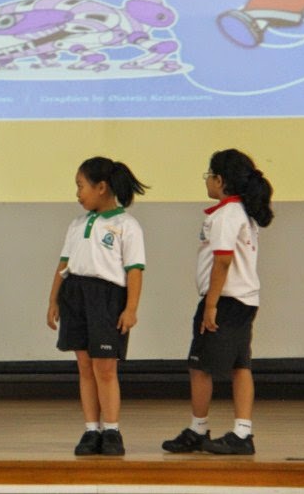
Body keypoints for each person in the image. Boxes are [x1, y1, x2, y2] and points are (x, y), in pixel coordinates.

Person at [162, 149, 274, 456]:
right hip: (243, 300)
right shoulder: (241, 212)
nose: (207, 181)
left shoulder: (226, 215)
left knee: (199, 366)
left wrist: (210, 305)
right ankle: (242, 431)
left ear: (220, 180)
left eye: (209, 175)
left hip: (225, 300)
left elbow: (222, 262)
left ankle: (200, 429)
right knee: (240, 365)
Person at [46, 157, 147, 456]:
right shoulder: (77, 224)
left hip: (107, 298)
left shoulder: (127, 225)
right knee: (85, 366)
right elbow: (63, 264)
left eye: (81, 186)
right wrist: (53, 300)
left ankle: (112, 430)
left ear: (101, 187)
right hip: (75, 294)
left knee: (105, 367)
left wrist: (131, 308)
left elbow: (135, 270)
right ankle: (92, 430)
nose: (77, 193)